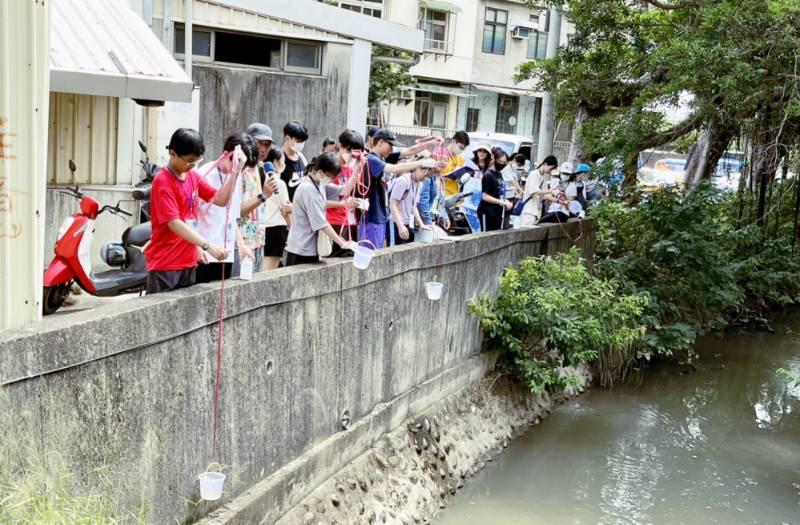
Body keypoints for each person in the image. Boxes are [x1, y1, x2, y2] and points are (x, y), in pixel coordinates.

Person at [144, 128, 238, 294]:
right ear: (173, 154)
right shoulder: (163, 181)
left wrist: (235, 172)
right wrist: (207, 246)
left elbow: (220, 200)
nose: (192, 166)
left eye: (196, 161)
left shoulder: (193, 177)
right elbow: (174, 223)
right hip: (166, 263)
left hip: (188, 261)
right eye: (189, 161)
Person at [195, 132, 259, 283]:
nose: (239, 170)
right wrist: (196, 247)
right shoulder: (204, 175)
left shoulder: (236, 176)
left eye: (243, 168)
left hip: (225, 253)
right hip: (204, 254)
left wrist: (241, 245)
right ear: (226, 154)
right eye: (237, 163)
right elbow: (190, 217)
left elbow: (230, 216)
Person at [357, 129, 437, 248]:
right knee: (370, 252)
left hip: (380, 215)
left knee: (377, 252)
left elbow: (409, 151)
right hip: (372, 215)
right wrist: (421, 164)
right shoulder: (371, 159)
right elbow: (395, 169)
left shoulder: (382, 158)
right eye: (390, 145)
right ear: (380, 142)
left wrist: (431, 143)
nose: (392, 149)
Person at [284, 153, 358, 266]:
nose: (331, 179)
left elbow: (344, 190)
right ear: (320, 172)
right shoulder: (308, 189)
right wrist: (342, 243)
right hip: (300, 249)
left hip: (309, 248)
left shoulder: (319, 184)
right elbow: (321, 223)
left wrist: (356, 172)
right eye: (330, 176)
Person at [239, 122, 279, 272]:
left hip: (258, 241)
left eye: (267, 144)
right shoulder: (240, 171)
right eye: (259, 143)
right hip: (241, 244)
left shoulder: (261, 168)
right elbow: (237, 211)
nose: (262, 149)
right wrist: (263, 196)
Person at [326, 129, 365, 257]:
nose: (351, 155)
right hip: (332, 224)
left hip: (350, 223)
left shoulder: (351, 169)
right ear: (340, 146)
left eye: (355, 152)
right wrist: (343, 204)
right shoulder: (329, 167)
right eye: (349, 150)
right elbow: (320, 202)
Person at [388, 157, 434, 245]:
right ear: (417, 168)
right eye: (424, 174)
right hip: (395, 223)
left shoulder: (419, 184)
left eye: (428, 176)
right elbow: (393, 204)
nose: (425, 178)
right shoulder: (403, 181)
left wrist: (421, 224)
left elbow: (413, 207)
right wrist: (400, 225)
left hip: (408, 223)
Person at [261, 147, 292, 270]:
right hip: (276, 229)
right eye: (283, 161)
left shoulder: (260, 178)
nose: (284, 164)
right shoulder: (278, 183)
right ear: (275, 162)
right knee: (269, 271)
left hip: (262, 228)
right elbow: (286, 209)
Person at [477, 148, 513, 231]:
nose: (502, 164)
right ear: (494, 159)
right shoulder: (488, 175)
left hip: (497, 212)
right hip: (487, 212)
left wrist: (506, 201)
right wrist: (501, 202)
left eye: (504, 163)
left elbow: (499, 191)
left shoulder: (499, 173)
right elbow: (484, 196)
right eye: (500, 161)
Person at [520, 155, 557, 226]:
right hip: (529, 211)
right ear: (545, 164)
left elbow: (546, 195)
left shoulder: (543, 177)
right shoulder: (534, 174)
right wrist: (551, 191)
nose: (550, 171)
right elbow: (534, 191)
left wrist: (559, 201)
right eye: (551, 168)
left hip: (536, 211)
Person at [280, 121, 309, 201]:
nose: (301, 144)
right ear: (287, 138)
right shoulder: (279, 158)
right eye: (298, 141)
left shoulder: (302, 157)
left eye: (303, 141)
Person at [438, 131, 470, 197]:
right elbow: (435, 176)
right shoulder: (441, 154)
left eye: (463, 149)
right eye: (460, 147)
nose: (461, 150)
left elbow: (460, 180)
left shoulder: (460, 158)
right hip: (442, 194)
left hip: (454, 196)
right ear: (453, 141)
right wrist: (451, 172)